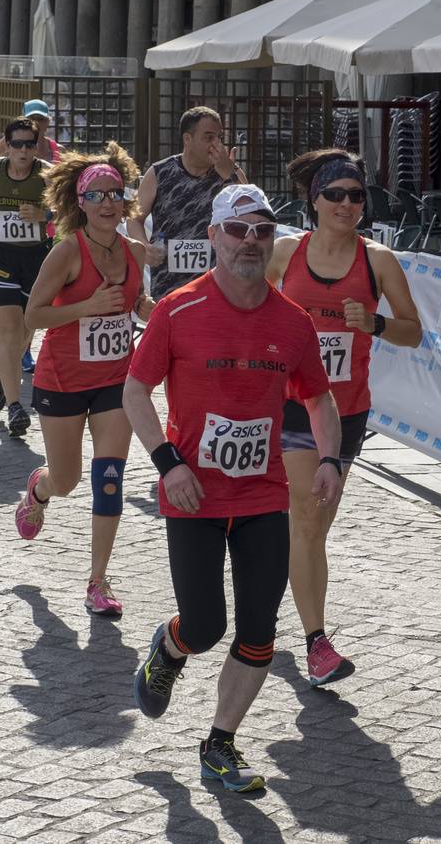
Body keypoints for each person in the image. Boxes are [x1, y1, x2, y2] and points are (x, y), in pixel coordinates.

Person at [124, 183, 343, 793]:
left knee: (258, 632)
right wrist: (169, 464)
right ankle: (169, 649)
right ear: (214, 237)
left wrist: (331, 457)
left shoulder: (292, 322)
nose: (251, 241)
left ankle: (219, 744)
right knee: (204, 625)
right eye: (238, 230)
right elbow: (135, 392)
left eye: (262, 231)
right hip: (192, 493)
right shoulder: (178, 310)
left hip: (262, 495)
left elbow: (319, 397)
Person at [267, 150, 423, 686]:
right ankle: (317, 642)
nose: (348, 204)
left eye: (357, 196)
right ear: (314, 200)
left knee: (311, 523)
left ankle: (280, 580)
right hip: (287, 404)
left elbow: (413, 330)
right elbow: (246, 305)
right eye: (336, 194)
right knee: (308, 517)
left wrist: (375, 324)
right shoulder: (285, 252)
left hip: (346, 410)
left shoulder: (377, 260)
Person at [15, 142, 155, 618]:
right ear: (80, 203)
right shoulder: (66, 252)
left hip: (118, 378)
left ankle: (97, 580)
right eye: (97, 195)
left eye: (116, 193)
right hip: (63, 379)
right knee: (69, 479)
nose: (109, 203)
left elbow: (133, 301)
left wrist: (147, 311)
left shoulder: (134, 251)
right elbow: (32, 315)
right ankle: (39, 489)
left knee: (109, 477)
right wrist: (86, 308)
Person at [0, 118, 54, 437]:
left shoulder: (47, 174)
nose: (23, 151)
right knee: (8, 331)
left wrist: (45, 215)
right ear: (6, 145)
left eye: (29, 145)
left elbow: (72, 207)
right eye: (16, 144)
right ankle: (16, 407)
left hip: (36, 260)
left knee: (26, 333)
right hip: (0, 257)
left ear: (37, 146)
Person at [127, 106, 247, 300]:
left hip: (219, 286)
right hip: (169, 286)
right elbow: (134, 218)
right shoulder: (159, 173)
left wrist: (228, 175)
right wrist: (143, 246)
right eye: (209, 137)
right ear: (187, 139)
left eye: (220, 137)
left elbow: (251, 215)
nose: (216, 144)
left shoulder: (231, 172)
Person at [0, 100, 60, 164]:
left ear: (48, 121)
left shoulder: (57, 149)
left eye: (40, 119)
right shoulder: (10, 141)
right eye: (31, 119)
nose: (36, 123)